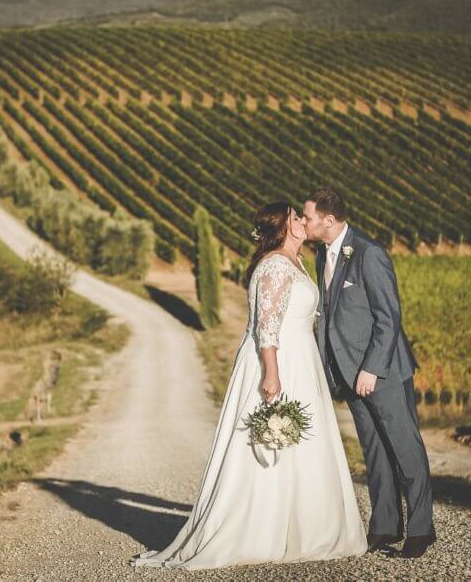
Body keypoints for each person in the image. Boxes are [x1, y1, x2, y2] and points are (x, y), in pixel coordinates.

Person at [129, 202, 367, 569]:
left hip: (303, 360)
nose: (303, 222)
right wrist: (272, 374)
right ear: (283, 226)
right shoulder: (274, 265)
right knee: (273, 440)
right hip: (281, 359)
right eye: (296, 217)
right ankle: (262, 527)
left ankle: (304, 524)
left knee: (301, 443)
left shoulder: (295, 261)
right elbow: (266, 328)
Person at [303, 186, 436, 559]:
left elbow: (388, 317)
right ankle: (386, 526)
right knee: (375, 452)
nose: (304, 221)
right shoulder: (322, 254)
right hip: (348, 373)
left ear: (328, 220)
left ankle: (422, 529)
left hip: (383, 371)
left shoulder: (368, 252)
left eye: (308, 216)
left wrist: (372, 370)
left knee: (405, 447)